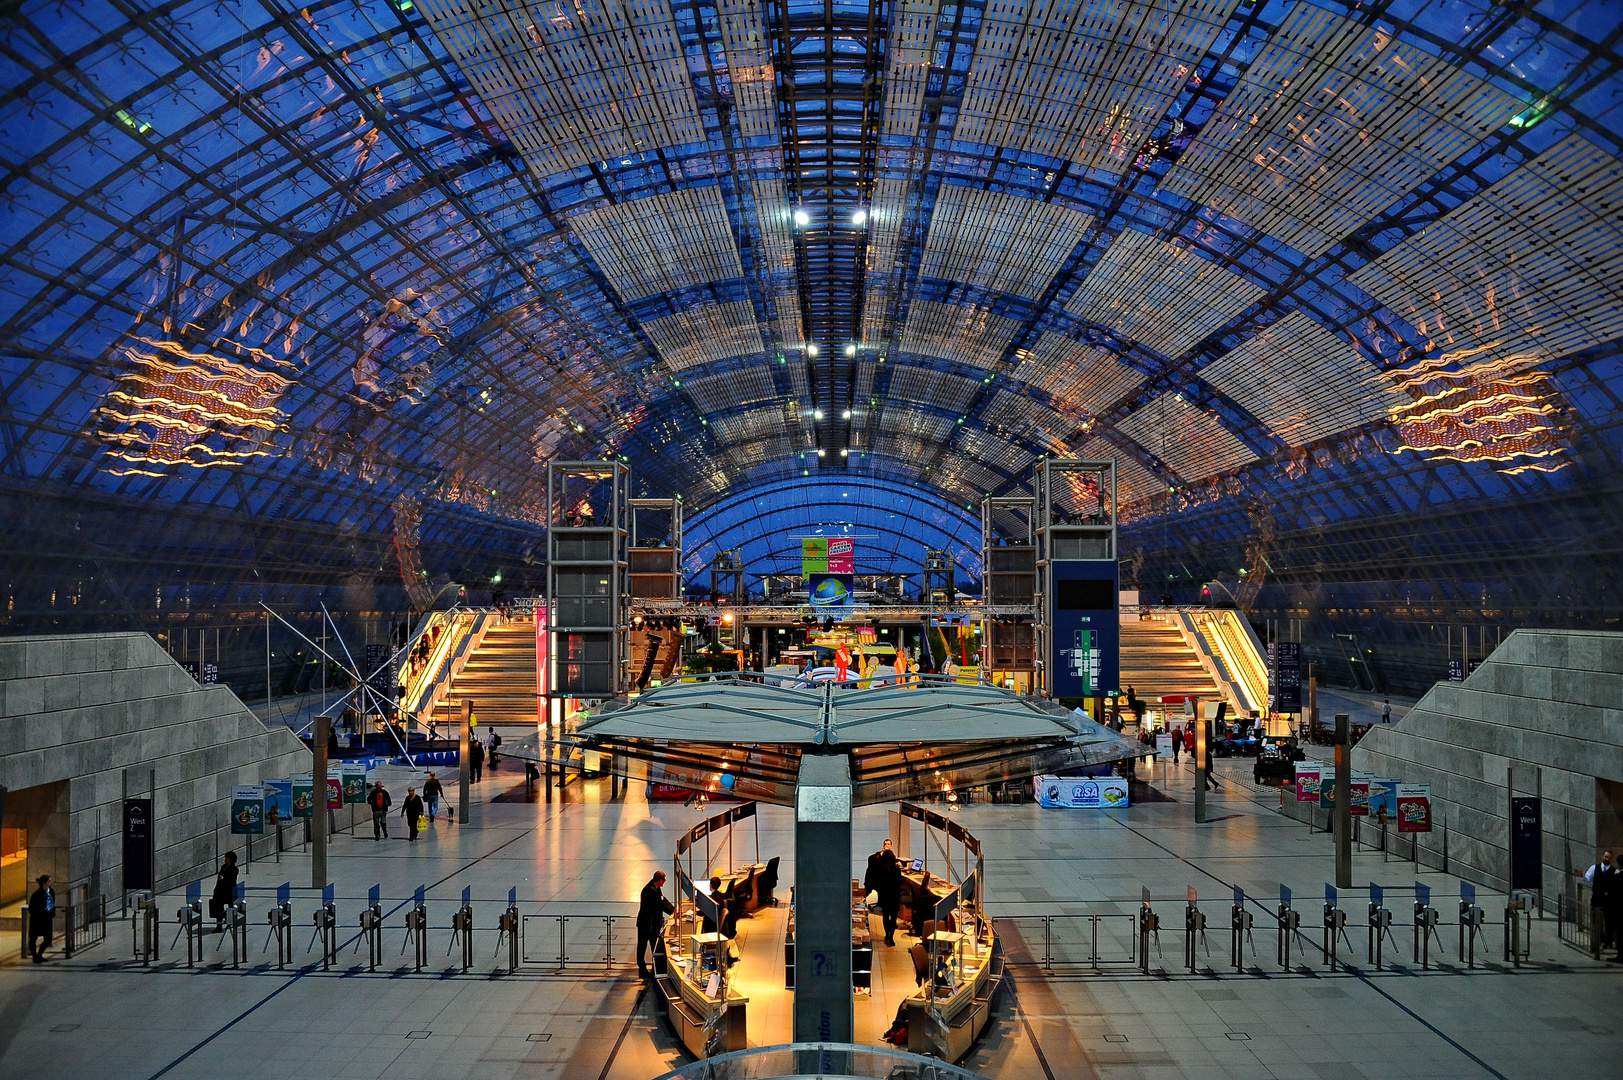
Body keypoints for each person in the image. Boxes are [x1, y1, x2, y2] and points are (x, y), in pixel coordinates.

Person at [864, 839, 904, 946]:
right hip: (894, 896)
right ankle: (891, 937)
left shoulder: (879, 868)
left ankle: (887, 934)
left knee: (886, 915)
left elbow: (872, 864)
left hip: (884, 895)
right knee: (894, 916)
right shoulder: (896, 869)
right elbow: (900, 882)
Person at [637, 870, 676, 977]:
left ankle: (654, 968)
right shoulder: (650, 890)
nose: (665, 882)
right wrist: (674, 912)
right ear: (659, 880)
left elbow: (663, 900)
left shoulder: (656, 888)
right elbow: (660, 905)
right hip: (647, 924)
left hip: (651, 924)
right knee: (643, 946)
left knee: (652, 946)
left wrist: (674, 909)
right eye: (664, 880)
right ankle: (643, 969)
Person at [1583, 851, 1618, 954]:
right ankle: (1595, 943)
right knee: (1595, 923)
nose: (1607, 859)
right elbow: (1587, 879)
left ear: (1612, 859)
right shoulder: (1594, 868)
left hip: (1608, 902)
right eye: (1606, 857)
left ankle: (1608, 941)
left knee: (1609, 923)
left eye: (1609, 858)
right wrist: (1581, 876)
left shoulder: (1614, 871)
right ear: (1602, 857)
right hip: (1596, 900)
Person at [27, 875, 54, 963]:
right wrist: (40, 913)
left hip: (47, 919)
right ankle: (35, 956)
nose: (51, 882)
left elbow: (53, 903)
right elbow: (31, 908)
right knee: (33, 938)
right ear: (44, 883)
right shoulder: (37, 894)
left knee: (48, 938)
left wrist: (51, 913)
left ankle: (39, 954)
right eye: (49, 881)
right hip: (37, 920)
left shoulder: (51, 892)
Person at [209, 852, 238, 932]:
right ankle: (219, 926)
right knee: (218, 909)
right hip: (220, 892)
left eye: (227, 858)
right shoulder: (223, 867)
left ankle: (231, 921)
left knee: (231, 907)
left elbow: (232, 880)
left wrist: (224, 878)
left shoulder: (234, 869)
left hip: (228, 892)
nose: (225, 859)